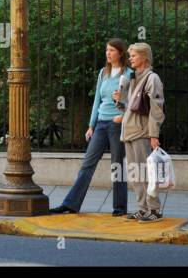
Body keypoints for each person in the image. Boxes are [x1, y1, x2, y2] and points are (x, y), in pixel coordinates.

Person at [49, 38, 132, 215]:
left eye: (111, 50)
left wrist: (122, 103)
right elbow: (97, 101)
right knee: (87, 164)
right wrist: (91, 125)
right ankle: (71, 204)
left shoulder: (129, 74)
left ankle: (120, 207)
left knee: (118, 166)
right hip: (101, 123)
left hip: (117, 124)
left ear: (120, 53)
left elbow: (133, 104)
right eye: (106, 50)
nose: (108, 53)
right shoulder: (103, 72)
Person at [115, 42, 166, 223]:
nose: (130, 59)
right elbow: (128, 108)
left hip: (142, 133)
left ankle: (155, 209)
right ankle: (143, 209)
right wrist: (119, 100)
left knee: (145, 173)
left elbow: (156, 109)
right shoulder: (133, 78)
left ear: (144, 57)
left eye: (134, 56)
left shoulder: (152, 79)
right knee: (135, 174)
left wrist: (154, 134)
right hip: (129, 132)